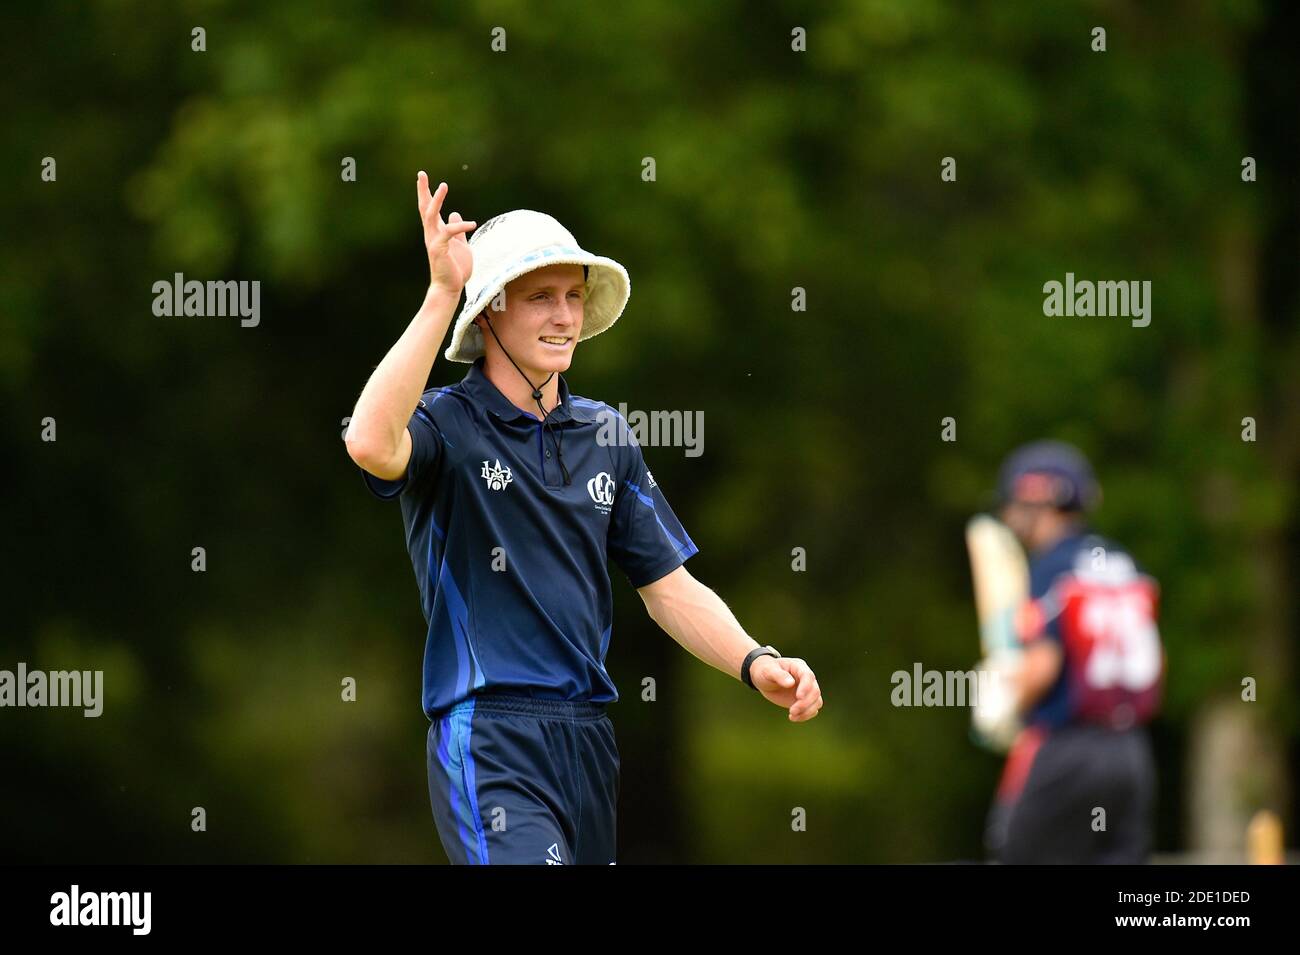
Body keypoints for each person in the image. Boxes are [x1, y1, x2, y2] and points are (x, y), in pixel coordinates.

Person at [345, 174, 823, 864]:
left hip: (588, 738)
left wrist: (755, 660)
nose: (565, 316)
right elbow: (368, 443)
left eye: (574, 296)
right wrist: (441, 294)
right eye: (542, 296)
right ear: (489, 314)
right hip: (489, 733)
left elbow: (670, 588)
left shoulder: (606, 433)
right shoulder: (448, 423)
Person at [984, 441, 1163, 864]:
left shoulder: (1051, 565)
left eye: (1013, 503)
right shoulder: (1122, 559)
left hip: (1068, 752)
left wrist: (1003, 698)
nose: (1009, 516)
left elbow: (1043, 667)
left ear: (1037, 499)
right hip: (1132, 752)